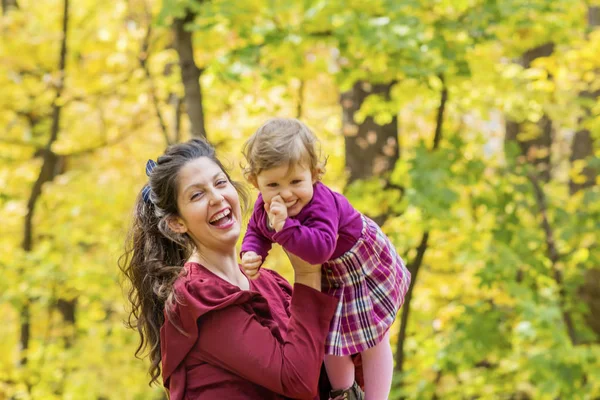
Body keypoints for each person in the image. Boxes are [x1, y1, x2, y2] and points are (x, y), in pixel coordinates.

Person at [119, 138, 343, 399]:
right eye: (197, 195)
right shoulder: (197, 298)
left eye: (220, 183)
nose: (216, 198)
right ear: (177, 223)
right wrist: (307, 274)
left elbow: (325, 363)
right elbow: (297, 381)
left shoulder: (268, 281)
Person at [240, 118, 411, 400]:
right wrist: (252, 251)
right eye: (273, 184)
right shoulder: (266, 205)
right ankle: (343, 394)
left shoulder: (321, 203)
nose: (286, 193)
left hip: (358, 264)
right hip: (330, 275)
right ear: (255, 182)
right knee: (331, 340)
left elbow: (319, 249)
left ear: (315, 175)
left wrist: (285, 229)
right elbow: (257, 228)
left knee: (373, 337)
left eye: (296, 181)